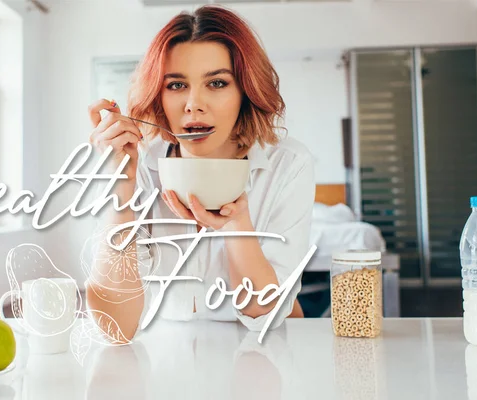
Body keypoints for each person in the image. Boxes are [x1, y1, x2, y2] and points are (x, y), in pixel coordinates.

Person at [85, 5, 315, 342]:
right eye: (177, 85)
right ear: (158, 96)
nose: (194, 103)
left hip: (261, 357)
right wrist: (121, 189)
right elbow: (115, 327)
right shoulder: (139, 165)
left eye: (217, 83)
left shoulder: (287, 164)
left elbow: (263, 313)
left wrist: (237, 226)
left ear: (245, 92)